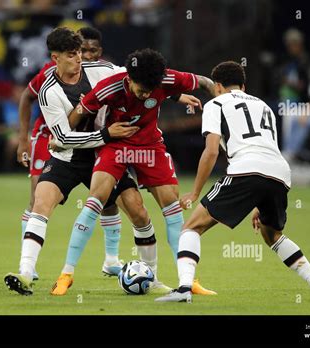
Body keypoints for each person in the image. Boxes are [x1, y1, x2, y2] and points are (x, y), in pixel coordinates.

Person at [155, 61, 310, 302]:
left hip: (246, 169)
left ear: (218, 85)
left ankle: (183, 290)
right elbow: (266, 148)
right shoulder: (264, 106)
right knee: (272, 235)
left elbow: (211, 151)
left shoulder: (215, 103)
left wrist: (194, 192)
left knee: (191, 228)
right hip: (279, 173)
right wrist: (258, 201)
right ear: (243, 85)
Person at [50, 48, 218, 296]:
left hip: (150, 147)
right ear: (129, 78)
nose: (147, 95)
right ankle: (66, 274)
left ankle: (187, 279)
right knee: (95, 198)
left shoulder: (166, 79)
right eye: (142, 90)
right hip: (115, 146)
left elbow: (205, 82)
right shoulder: (110, 87)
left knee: (172, 207)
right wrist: (60, 136)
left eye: (151, 91)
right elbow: (79, 112)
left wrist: (220, 106)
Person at [15, 27, 131, 280]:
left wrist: (178, 92)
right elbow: (58, 132)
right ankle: (26, 270)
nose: (81, 58)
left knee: (127, 206)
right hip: (59, 146)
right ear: (55, 57)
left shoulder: (102, 69)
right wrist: (23, 140)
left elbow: (139, 75)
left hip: (101, 154)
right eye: (74, 54)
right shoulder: (47, 86)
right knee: (40, 201)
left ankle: (114, 260)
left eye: (83, 52)